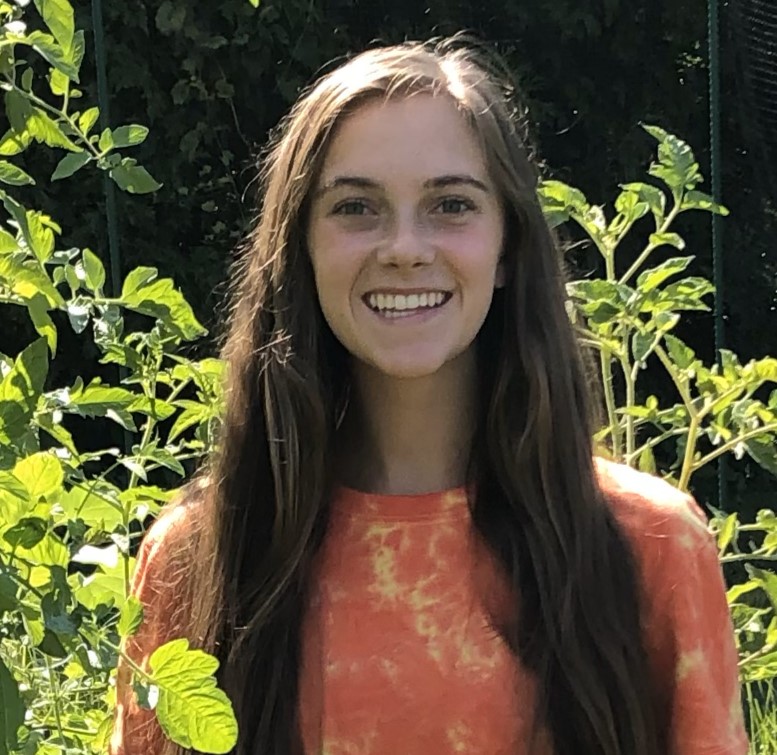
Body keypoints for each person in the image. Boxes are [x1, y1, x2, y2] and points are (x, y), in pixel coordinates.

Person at [110, 37, 749, 755]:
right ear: (300, 246)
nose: (404, 247)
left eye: (450, 204)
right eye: (356, 207)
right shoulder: (198, 556)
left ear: (507, 247)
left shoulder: (648, 546)